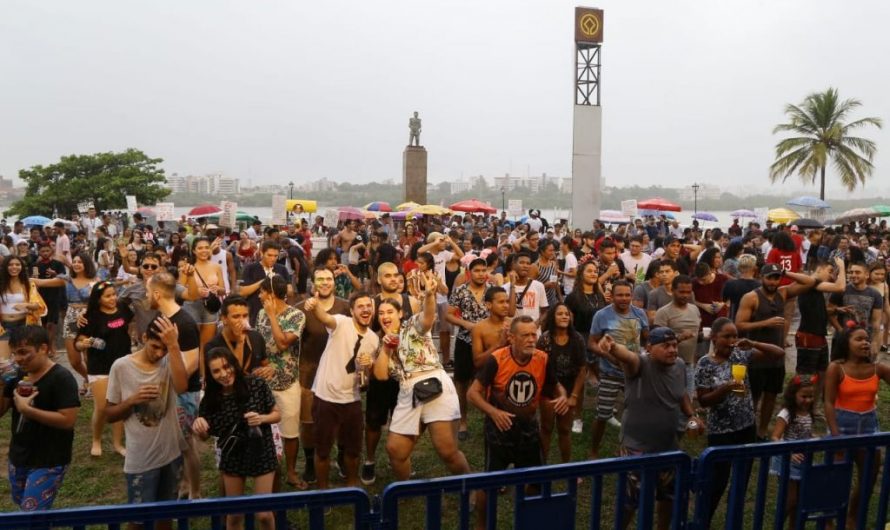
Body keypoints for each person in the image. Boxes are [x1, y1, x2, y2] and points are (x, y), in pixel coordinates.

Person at [467, 315, 568, 530]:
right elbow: (472, 393)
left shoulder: (542, 359)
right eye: (525, 335)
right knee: (489, 486)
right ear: (512, 338)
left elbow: (556, 385)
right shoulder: (497, 359)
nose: (532, 339)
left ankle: (527, 521)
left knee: (536, 482)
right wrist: (494, 412)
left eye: (534, 334)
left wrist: (562, 396)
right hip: (499, 431)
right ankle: (481, 526)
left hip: (528, 430)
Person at [372, 270, 471, 482]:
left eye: (389, 312)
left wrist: (429, 295)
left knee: (447, 451)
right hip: (408, 392)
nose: (385, 316)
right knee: (395, 450)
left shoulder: (411, 327)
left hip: (434, 384)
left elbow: (427, 318)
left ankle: (472, 489)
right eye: (380, 313)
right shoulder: (381, 344)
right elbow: (380, 375)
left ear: (400, 314)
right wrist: (386, 349)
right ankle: (406, 488)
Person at [598, 327, 701, 530]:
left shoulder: (680, 365)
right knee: (629, 501)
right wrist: (613, 347)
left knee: (668, 497)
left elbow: (681, 394)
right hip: (637, 448)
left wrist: (692, 414)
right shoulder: (641, 364)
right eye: (666, 346)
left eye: (674, 345)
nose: (672, 350)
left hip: (668, 446)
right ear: (649, 348)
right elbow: (627, 356)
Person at [695, 317, 785, 526]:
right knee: (717, 483)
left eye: (734, 336)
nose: (732, 341)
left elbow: (778, 353)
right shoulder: (705, 364)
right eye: (727, 336)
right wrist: (725, 388)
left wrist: (753, 343)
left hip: (746, 427)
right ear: (714, 338)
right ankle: (703, 522)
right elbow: (704, 400)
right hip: (721, 431)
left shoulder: (740, 354)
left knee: (741, 482)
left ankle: (733, 521)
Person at [105, 316, 189, 523]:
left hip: (171, 455)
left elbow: (182, 387)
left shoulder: (171, 359)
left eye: (164, 349)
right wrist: (132, 401)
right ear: (143, 338)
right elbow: (109, 414)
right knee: (138, 521)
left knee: (165, 519)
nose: (159, 354)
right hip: (141, 460)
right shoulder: (121, 367)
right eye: (155, 347)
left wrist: (174, 346)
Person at [192, 348, 279, 530]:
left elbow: (277, 415)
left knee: (263, 515)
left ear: (234, 364)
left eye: (226, 366)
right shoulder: (210, 400)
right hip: (233, 455)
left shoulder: (256, 384)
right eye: (216, 371)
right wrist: (199, 426)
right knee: (234, 515)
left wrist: (261, 418)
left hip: (261, 450)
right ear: (210, 375)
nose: (224, 374)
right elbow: (205, 436)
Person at [304, 290, 379, 489]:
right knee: (322, 450)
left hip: (352, 400)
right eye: (360, 306)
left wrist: (369, 367)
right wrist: (315, 306)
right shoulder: (341, 323)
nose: (365, 309)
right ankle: (323, 491)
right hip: (326, 397)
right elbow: (325, 317)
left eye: (369, 306)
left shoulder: (373, 339)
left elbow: (366, 379)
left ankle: (352, 486)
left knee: (353, 450)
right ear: (352, 311)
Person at [0, 325, 80, 511]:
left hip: (49, 460)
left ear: (43, 348)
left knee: (31, 514)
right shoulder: (17, 375)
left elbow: (68, 420)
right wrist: (1, 383)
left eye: (23, 352)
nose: (18, 359)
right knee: (25, 510)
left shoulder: (61, 378)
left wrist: (28, 411)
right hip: (18, 457)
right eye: (14, 353)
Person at [735, 263, 814, 440]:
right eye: (769, 277)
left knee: (771, 396)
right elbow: (739, 325)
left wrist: (785, 272)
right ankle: (748, 431)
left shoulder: (783, 293)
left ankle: (762, 431)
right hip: (756, 356)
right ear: (761, 277)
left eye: (776, 278)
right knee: (753, 397)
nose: (773, 282)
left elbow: (810, 282)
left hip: (776, 357)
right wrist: (765, 323)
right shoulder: (751, 297)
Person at [824, 325, 890, 528]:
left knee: (868, 479)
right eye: (859, 339)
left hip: (869, 430)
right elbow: (828, 402)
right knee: (837, 479)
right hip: (841, 429)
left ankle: (852, 516)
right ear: (846, 343)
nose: (865, 343)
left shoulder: (877, 368)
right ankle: (829, 518)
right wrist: (836, 436)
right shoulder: (836, 368)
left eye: (867, 339)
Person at [145, 272, 203, 500]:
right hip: (166, 391)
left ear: (157, 294)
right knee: (176, 444)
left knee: (187, 444)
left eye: (148, 292)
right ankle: (184, 485)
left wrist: (165, 383)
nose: (146, 296)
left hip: (184, 393)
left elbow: (191, 364)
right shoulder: (159, 319)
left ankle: (195, 491)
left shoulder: (184, 323)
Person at [363, 262, 420, 485]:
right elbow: (365, 334)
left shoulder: (410, 302)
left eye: (396, 275)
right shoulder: (371, 304)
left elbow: (419, 334)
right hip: (380, 370)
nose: (393, 279)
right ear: (379, 280)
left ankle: (401, 458)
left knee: (404, 419)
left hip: (405, 373)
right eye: (387, 276)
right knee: (374, 421)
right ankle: (369, 460)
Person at [293, 267, 350, 485]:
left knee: (342, 422)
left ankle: (342, 457)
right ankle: (310, 462)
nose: (325, 283)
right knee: (309, 423)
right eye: (320, 279)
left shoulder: (345, 307)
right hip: (310, 373)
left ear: (334, 282)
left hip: (340, 373)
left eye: (329, 279)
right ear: (313, 283)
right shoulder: (301, 309)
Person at [256, 275, 307, 489]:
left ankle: (291, 472)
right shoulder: (260, 313)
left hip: (287, 381)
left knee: (290, 432)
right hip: (264, 381)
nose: (259, 296)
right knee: (266, 430)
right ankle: (269, 469)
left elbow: (283, 343)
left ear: (271, 295)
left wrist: (272, 315)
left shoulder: (296, 315)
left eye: (262, 292)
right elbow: (259, 342)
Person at [588, 281, 649, 459]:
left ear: (632, 295)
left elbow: (647, 338)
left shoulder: (639, 314)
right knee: (602, 414)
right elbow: (591, 343)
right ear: (612, 296)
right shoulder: (602, 315)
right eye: (619, 295)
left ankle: (629, 448)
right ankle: (593, 451)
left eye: (627, 295)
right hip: (610, 373)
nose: (624, 298)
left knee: (636, 414)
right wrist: (608, 356)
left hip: (634, 373)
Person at [76, 281, 133, 457]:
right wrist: (83, 344)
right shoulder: (90, 317)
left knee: (119, 406)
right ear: (98, 299)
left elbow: (131, 324)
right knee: (102, 407)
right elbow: (78, 343)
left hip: (123, 363)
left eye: (114, 294)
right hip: (99, 366)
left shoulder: (123, 308)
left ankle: (117, 444)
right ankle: (96, 440)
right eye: (108, 296)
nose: (113, 298)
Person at [32, 252, 98, 390]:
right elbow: (41, 282)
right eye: (75, 262)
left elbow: (100, 301)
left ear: (87, 264)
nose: (76, 264)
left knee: (89, 357)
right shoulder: (67, 280)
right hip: (71, 319)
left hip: (89, 319)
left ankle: (94, 384)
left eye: (80, 262)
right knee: (74, 361)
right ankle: (88, 378)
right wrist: (20, 278)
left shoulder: (96, 280)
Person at [446, 257, 494, 441]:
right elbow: (449, 315)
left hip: (488, 344)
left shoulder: (492, 290)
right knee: (462, 383)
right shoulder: (461, 290)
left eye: (484, 270)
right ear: (469, 272)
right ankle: (463, 422)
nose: (481, 274)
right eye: (477, 271)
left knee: (489, 383)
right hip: (465, 342)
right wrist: (465, 324)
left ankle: (490, 420)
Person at [536, 304, 586, 463]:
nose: (564, 316)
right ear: (552, 317)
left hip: (569, 391)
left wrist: (574, 396)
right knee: (546, 428)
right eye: (560, 314)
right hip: (548, 392)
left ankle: (566, 466)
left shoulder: (577, 339)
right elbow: (539, 368)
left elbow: (582, 370)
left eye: (567, 314)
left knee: (564, 430)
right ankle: (541, 466)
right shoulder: (544, 339)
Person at [769, 374, 817, 529]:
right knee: (791, 500)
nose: (808, 400)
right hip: (787, 460)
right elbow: (775, 437)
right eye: (804, 396)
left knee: (799, 501)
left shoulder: (808, 412)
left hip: (802, 460)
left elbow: (803, 432)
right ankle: (777, 525)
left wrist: (813, 438)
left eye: (811, 396)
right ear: (793, 394)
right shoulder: (786, 413)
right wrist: (789, 454)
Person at [794, 258, 846, 402]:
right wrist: (842, 267)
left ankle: (813, 405)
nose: (831, 275)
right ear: (819, 269)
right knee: (806, 376)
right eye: (829, 271)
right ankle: (797, 404)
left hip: (819, 335)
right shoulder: (811, 282)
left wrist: (836, 309)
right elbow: (840, 287)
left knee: (822, 373)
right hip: (808, 335)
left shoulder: (816, 285)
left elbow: (815, 308)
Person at [417, 231, 464, 367]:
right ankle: (427, 359)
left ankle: (446, 360)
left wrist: (451, 242)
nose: (444, 243)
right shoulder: (427, 255)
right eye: (441, 241)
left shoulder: (444, 254)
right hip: (428, 296)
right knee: (427, 329)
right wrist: (435, 242)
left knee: (446, 330)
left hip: (442, 296)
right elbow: (419, 251)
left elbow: (461, 256)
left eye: (443, 241)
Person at [653, 275, 701, 398]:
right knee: (668, 400)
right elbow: (656, 342)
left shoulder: (694, 309)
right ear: (673, 291)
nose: (685, 295)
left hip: (689, 365)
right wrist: (679, 338)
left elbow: (696, 336)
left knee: (687, 401)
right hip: (668, 366)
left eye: (688, 292)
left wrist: (705, 336)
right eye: (681, 292)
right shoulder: (663, 312)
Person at [828, 262, 884, 356]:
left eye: (857, 272)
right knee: (838, 363)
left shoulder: (875, 294)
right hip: (842, 339)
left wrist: (875, 341)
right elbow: (829, 311)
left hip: (864, 340)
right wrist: (840, 330)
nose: (853, 275)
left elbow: (876, 321)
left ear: (866, 275)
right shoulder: (841, 290)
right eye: (851, 272)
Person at [0, 256, 46, 361]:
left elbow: (38, 305)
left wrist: (25, 305)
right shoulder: (1, 284)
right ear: (5, 267)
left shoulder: (27, 283)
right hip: (3, 327)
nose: (14, 267)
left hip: (23, 325)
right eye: (10, 265)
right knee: (3, 362)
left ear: (22, 267)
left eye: (17, 264)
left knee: (25, 360)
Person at [238, 240, 290, 326]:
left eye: (275, 256)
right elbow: (243, 292)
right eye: (269, 255)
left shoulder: (282, 269)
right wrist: (265, 280)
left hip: (278, 313)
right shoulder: (250, 268)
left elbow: (290, 291)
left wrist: (278, 283)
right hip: (256, 312)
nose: (273, 259)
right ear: (262, 253)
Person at [502, 252, 549, 326]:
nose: (525, 266)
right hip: (514, 331)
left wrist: (537, 324)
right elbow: (510, 313)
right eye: (521, 263)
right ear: (513, 265)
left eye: (528, 263)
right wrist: (512, 284)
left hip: (533, 330)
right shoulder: (504, 288)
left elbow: (544, 311)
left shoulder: (539, 286)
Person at [721, 254, 759, 321]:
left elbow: (724, 302)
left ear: (739, 268)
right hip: (754, 322)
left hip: (734, 320)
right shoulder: (759, 286)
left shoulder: (730, 284)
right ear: (754, 268)